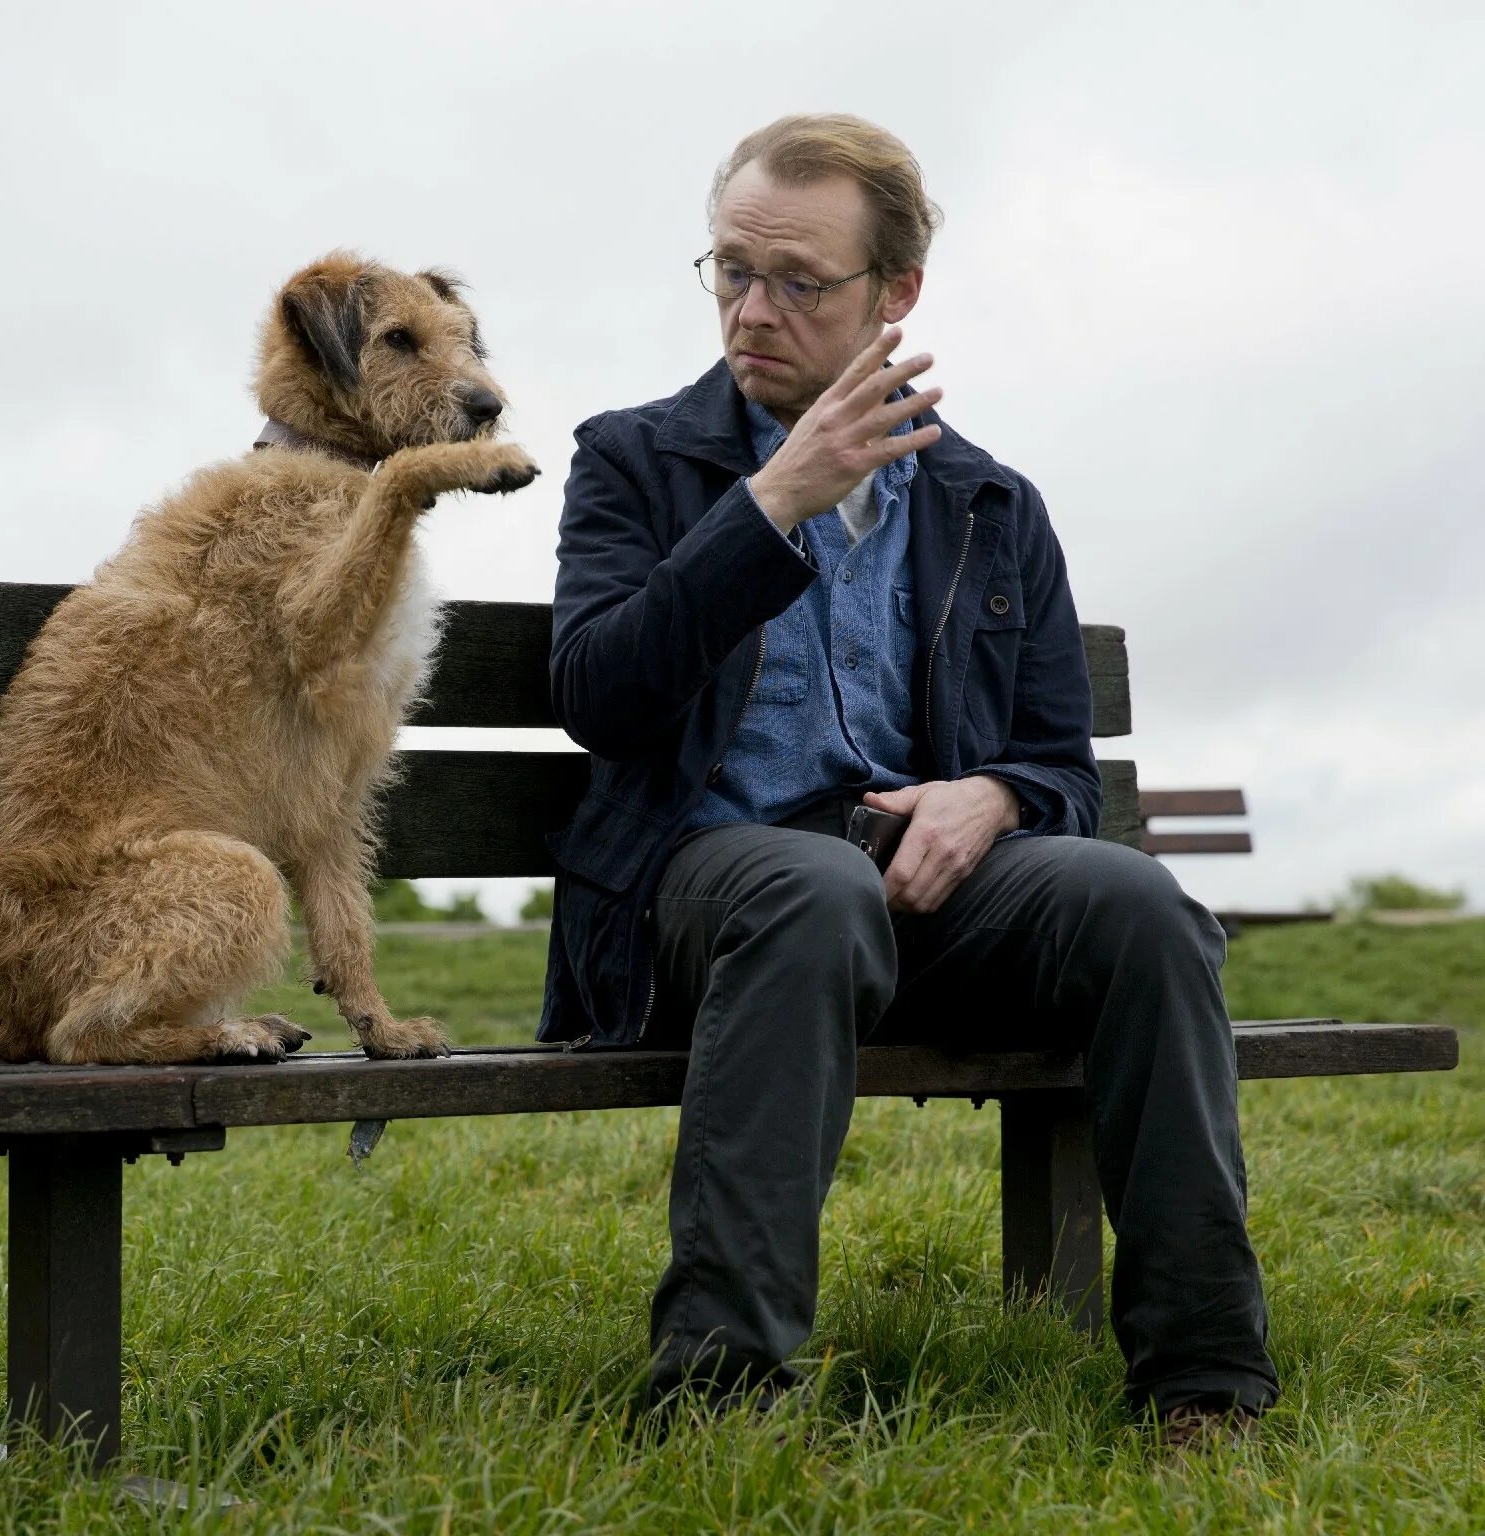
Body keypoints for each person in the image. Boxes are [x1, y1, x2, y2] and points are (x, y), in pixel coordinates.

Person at [536, 113, 1278, 1438]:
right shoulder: (635, 463)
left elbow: (1055, 765)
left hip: (933, 890)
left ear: (897, 296)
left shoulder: (990, 504)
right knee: (810, 888)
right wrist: (771, 506)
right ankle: (719, 1401)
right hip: (721, 889)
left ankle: (1205, 1384)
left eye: (799, 281)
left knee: (1145, 910)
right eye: (728, 270)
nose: (752, 308)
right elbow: (599, 695)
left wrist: (986, 796)